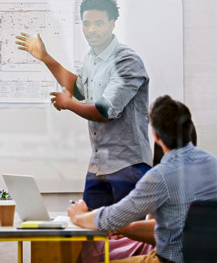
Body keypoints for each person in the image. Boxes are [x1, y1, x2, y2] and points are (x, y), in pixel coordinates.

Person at [16, 0, 151, 210]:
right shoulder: (91, 57)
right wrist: (46, 58)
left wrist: (67, 104)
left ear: (112, 23)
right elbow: (79, 90)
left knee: (127, 239)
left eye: (99, 23)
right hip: (99, 166)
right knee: (90, 235)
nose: (91, 30)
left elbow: (104, 111)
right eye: (87, 24)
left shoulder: (126, 60)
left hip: (128, 166)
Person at [68, 95, 217, 263]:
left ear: (156, 136)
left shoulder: (160, 176)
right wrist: (125, 228)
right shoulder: (213, 164)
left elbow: (111, 219)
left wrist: (79, 216)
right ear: (190, 128)